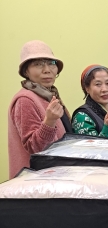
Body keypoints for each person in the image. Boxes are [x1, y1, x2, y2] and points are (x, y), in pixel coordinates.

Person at [8, 40, 71, 178]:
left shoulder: (49, 94)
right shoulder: (25, 99)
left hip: (54, 178)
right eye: (38, 64)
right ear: (26, 71)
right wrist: (49, 122)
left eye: (51, 63)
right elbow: (35, 148)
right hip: (36, 182)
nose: (47, 70)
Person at [72, 65, 108, 137]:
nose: (105, 89)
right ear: (87, 88)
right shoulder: (81, 116)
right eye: (98, 84)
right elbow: (91, 145)